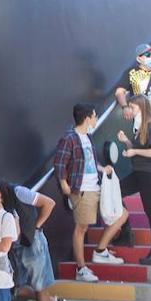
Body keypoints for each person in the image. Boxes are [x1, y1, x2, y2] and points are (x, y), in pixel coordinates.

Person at [54, 103, 122, 283]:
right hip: (82, 190)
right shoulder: (69, 138)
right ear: (87, 118)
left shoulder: (88, 137)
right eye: (94, 116)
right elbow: (60, 163)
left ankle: (101, 251)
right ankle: (81, 269)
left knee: (120, 214)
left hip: (97, 186)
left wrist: (102, 169)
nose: (96, 119)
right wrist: (64, 185)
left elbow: (90, 162)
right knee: (81, 228)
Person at [99, 95, 151, 266]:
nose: (130, 109)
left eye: (133, 107)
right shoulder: (140, 127)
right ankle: (125, 230)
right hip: (140, 173)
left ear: (141, 108)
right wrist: (127, 142)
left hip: (150, 175)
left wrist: (134, 152)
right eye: (129, 106)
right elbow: (137, 149)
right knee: (117, 191)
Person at [0, 180, 65, 301]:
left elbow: (49, 203)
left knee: (39, 285)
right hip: (12, 246)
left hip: (32, 242)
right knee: (14, 288)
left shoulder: (19, 192)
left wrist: (35, 228)